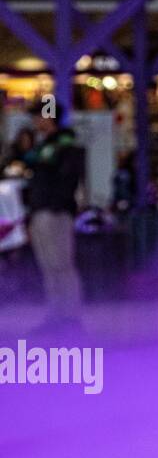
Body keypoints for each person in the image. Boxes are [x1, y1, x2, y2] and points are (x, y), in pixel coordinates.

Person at [22, 109, 85, 313]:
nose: (34, 121)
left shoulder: (64, 145)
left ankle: (70, 315)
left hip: (54, 213)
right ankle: (56, 314)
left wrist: (56, 205)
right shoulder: (45, 146)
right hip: (41, 210)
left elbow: (67, 180)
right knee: (49, 267)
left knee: (61, 265)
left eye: (38, 116)